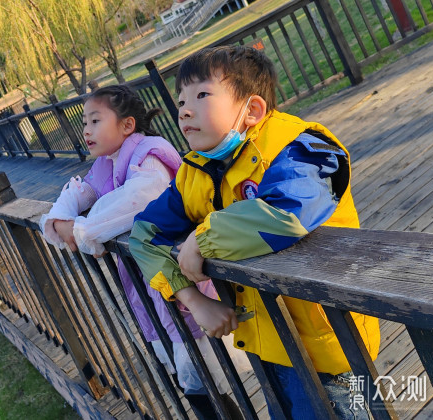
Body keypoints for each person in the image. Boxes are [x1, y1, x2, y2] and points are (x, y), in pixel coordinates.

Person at [128, 46, 381, 419]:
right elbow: (144, 235)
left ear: (252, 110)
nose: (183, 109)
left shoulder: (300, 146)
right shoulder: (194, 172)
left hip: (330, 348)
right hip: (267, 342)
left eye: (202, 95)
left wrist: (202, 238)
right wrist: (194, 301)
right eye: (181, 99)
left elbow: (288, 212)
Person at [39, 85, 242, 418]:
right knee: (187, 376)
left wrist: (80, 230)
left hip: (181, 275)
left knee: (201, 373)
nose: (86, 130)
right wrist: (59, 219)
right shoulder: (107, 163)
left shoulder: (149, 153)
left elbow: (139, 200)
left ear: (127, 125)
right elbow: (79, 192)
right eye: (84, 124)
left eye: (94, 120)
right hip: (152, 285)